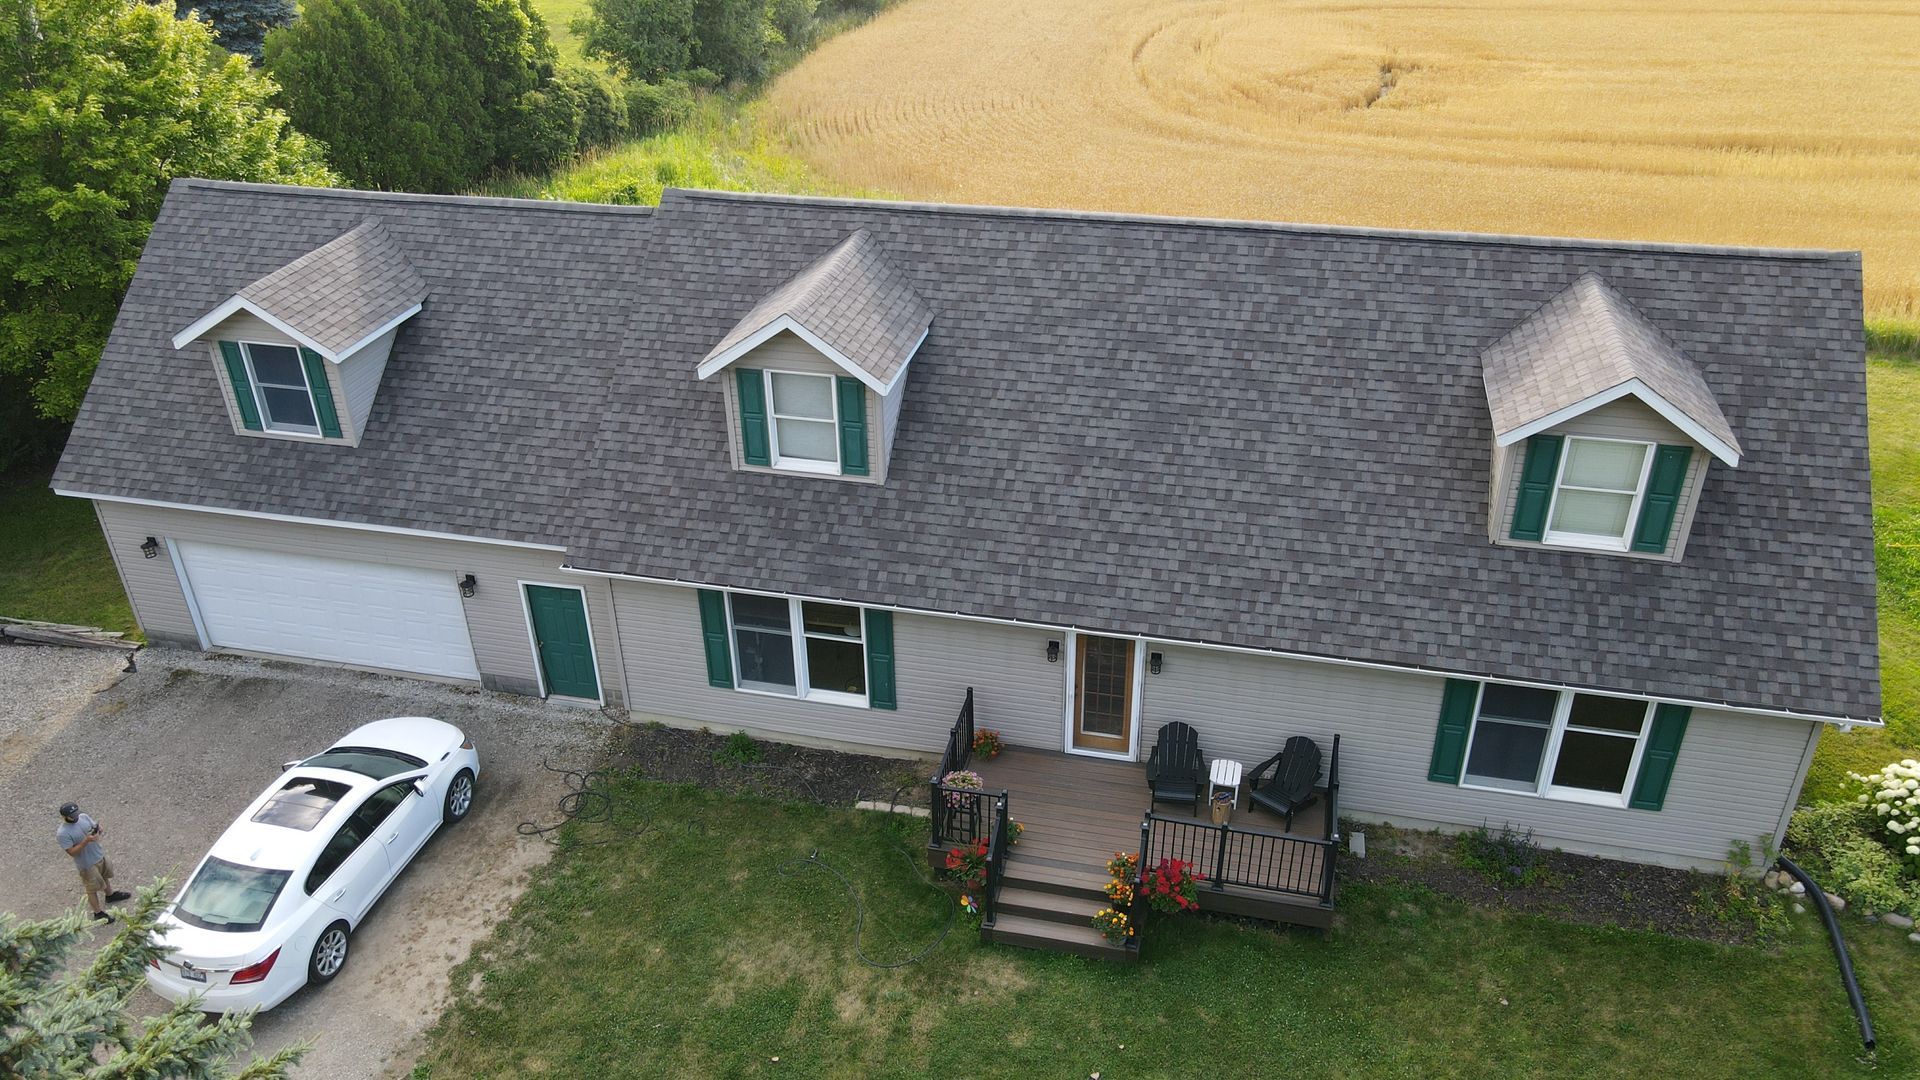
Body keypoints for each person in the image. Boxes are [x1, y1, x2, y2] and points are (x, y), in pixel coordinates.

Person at [57, 802, 129, 922]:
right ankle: (98, 913)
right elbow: (71, 852)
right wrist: (86, 841)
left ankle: (110, 895)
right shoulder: (63, 833)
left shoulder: (83, 817)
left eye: (76, 814)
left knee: (105, 876)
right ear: (65, 817)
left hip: (98, 855)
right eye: (72, 816)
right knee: (92, 889)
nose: (75, 817)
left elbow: (94, 827)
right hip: (87, 864)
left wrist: (99, 830)